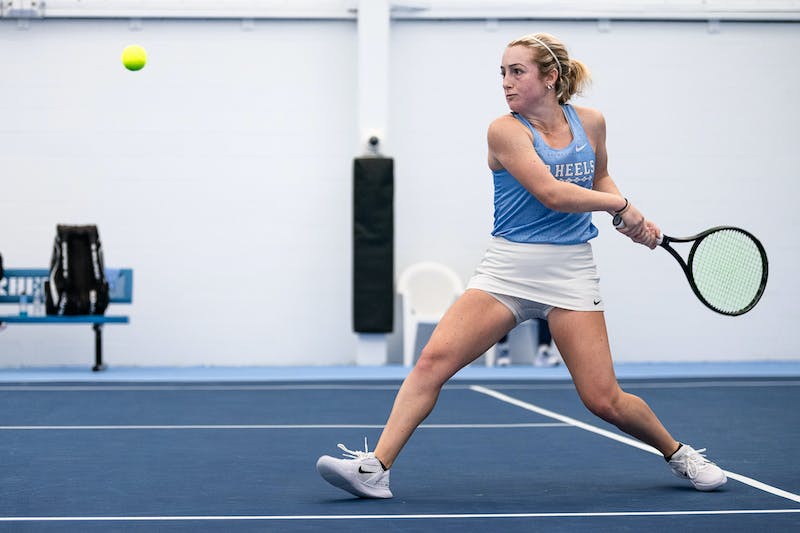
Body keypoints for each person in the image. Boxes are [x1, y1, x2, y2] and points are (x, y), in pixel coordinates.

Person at [317, 32, 727, 498]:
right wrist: (621, 206)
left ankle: (679, 455)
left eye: (517, 72)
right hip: (507, 270)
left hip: (571, 271)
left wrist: (628, 215)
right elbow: (551, 192)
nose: (506, 83)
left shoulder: (591, 123)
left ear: (550, 77)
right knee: (431, 363)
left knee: (603, 400)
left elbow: (598, 175)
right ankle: (375, 470)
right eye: (503, 73)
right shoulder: (504, 130)